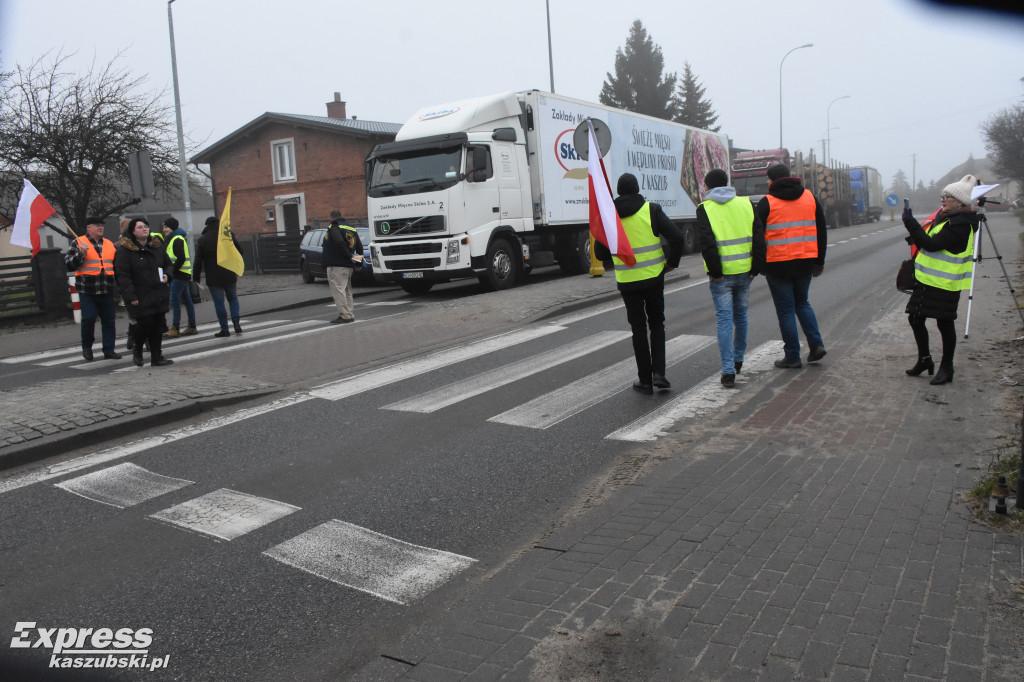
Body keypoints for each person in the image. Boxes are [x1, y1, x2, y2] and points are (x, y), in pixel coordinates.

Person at [593, 173, 684, 394]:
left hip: (628, 282)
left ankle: (644, 380)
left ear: (618, 191)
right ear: (637, 189)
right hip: (654, 278)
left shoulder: (611, 216)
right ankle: (659, 374)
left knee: (638, 328)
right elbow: (677, 238)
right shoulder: (651, 210)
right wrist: (671, 263)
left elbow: (600, 253)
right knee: (657, 324)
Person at [901, 174, 980, 385]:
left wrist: (910, 223)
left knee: (944, 324)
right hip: (928, 281)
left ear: (960, 201)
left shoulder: (961, 224)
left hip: (945, 283)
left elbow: (931, 244)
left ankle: (947, 368)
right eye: (943, 196)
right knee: (915, 318)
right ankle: (925, 360)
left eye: (947, 196)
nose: (943, 200)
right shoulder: (947, 218)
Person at [754, 163, 828, 369]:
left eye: (768, 179)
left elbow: (757, 237)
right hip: (805, 262)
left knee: (786, 310)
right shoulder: (809, 197)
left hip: (777, 265)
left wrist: (759, 264)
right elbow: (822, 231)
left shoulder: (766, 202)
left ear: (773, 180)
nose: (767, 183)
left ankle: (793, 356)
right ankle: (816, 345)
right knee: (802, 303)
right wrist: (819, 261)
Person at [697, 169, 761, 388]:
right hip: (745, 271)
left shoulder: (705, 208)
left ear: (708, 187)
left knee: (725, 320)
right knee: (741, 316)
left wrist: (715, 272)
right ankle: (739, 360)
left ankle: (728, 371)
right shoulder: (746, 204)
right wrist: (756, 266)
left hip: (721, 277)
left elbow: (707, 243)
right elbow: (759, 237)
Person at [114, 218, 174, 367]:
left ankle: (156, 357)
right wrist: (131, 296)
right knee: (145, 323)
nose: (144, 229)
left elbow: (168, 264)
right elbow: (123, 276)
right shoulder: (125, 250)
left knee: (158, 326)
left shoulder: (156, 246)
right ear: (133, 231)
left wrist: (168, 274)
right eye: (140, 227)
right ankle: (138, 348)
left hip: (158, 292)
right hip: (139, 294)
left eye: (146, 226)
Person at [65, 217, 121, 361]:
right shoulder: (78, 242)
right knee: (89, 318)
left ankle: (109, 350)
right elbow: (69, 265)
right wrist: (81, 254)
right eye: (97, 225)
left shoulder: (109, 244)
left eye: (101, 225)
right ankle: (87, 347)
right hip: (87, 289)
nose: (100, 227)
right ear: (88, 227)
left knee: (109, 321)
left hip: (106, 288)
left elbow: (116, 266)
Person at [193, 216, 244, 338]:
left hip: (213, 277)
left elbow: (198, 260)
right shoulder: (228, 235)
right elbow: (240, 250)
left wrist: (196, 276)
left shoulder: (204, 239)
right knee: (233, 299)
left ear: (207, 226)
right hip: (229, 273)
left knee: (219, 303)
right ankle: (236, 323)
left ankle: (224, 329)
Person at [323, 210, 364, 324]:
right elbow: (359, 247)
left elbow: (339, 243)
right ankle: (349, 314)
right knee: (347, 291)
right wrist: (358, 263)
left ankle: (345, 316)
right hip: (348, 266)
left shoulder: (334, 227)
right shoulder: (351, 227)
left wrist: (349, 255)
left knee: (339, 290)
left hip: (336, 265)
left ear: (330, 218)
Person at [161, 217, 197, 337]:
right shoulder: (175, 238)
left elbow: (180, 258)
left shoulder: (176, 239)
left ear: (171, 228)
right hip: (182, 275)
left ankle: (175, 328)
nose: (164, 229)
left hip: (179, 275)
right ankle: (192, 326)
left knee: (175, 301)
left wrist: (171, 271)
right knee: (187, 300)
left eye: (166, 227)